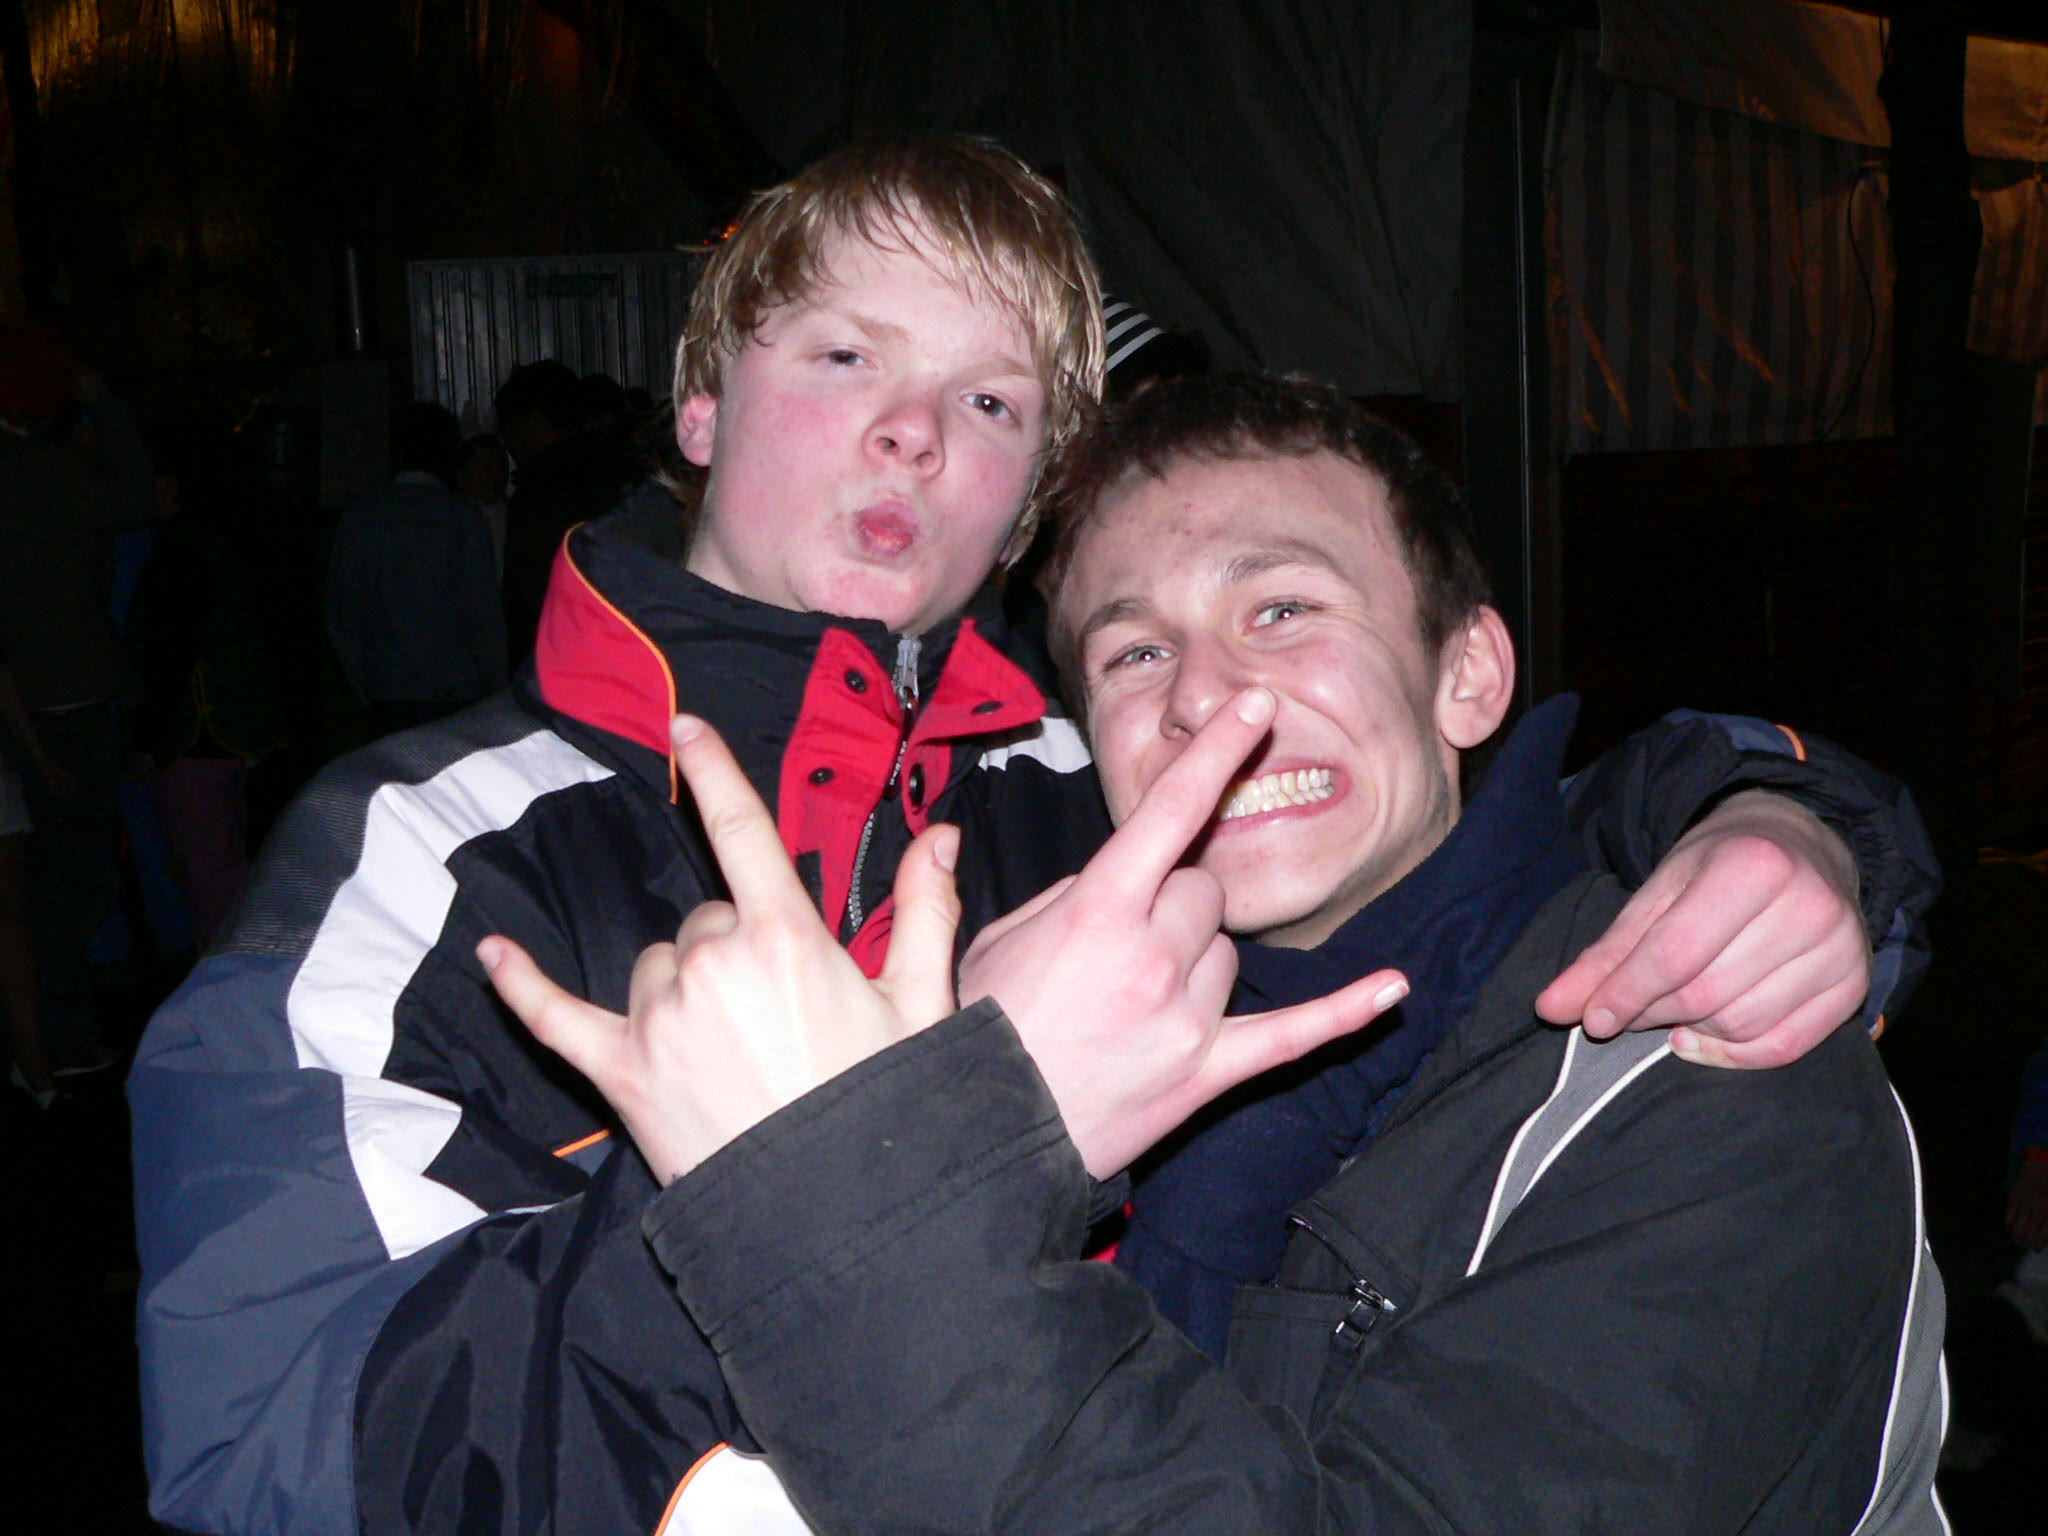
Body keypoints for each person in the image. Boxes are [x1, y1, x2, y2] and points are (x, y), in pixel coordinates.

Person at [133, 140, 1932, 1536]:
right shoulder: (437, 850)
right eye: (842, 352)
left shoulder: (1103, 787)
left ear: (1020, 510)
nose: (913, 431)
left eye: (993, 401)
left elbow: (1443, 839)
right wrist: (927, 1139)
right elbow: (261, 1440)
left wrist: (1782, 810)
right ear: (700, 405)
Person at [488, 372, 1947, 1534]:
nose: (1204, 697)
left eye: (1282, 610)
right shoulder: (1100, 1030)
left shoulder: (1704, 1064)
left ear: (1466, 676)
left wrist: (866, 1208)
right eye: (1133, 651)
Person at [326, 401, 508, 737]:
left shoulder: (358, 520)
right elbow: (484, 618)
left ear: (397, 451)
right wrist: (496, 691)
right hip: (455, 695)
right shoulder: (464, 520)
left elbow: (343, 619)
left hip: (386, 692)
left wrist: (363, 688)